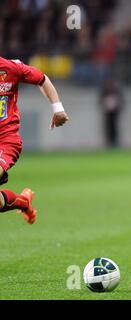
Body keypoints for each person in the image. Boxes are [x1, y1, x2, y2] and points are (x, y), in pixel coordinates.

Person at [0, 57, 69, 224]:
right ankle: (23, 202)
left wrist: (58, 108)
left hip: (6, 141)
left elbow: (42, 79)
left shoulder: (11, 68)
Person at [99, 76, 123, 148]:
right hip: (107, 112)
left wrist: (116, 105)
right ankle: (109, 142)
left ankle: (115, 142)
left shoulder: (116, 90)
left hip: (115, 112)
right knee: (108, 127)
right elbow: (100, 100)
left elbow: (121, 101)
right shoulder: (105, 91)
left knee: (114, 126)